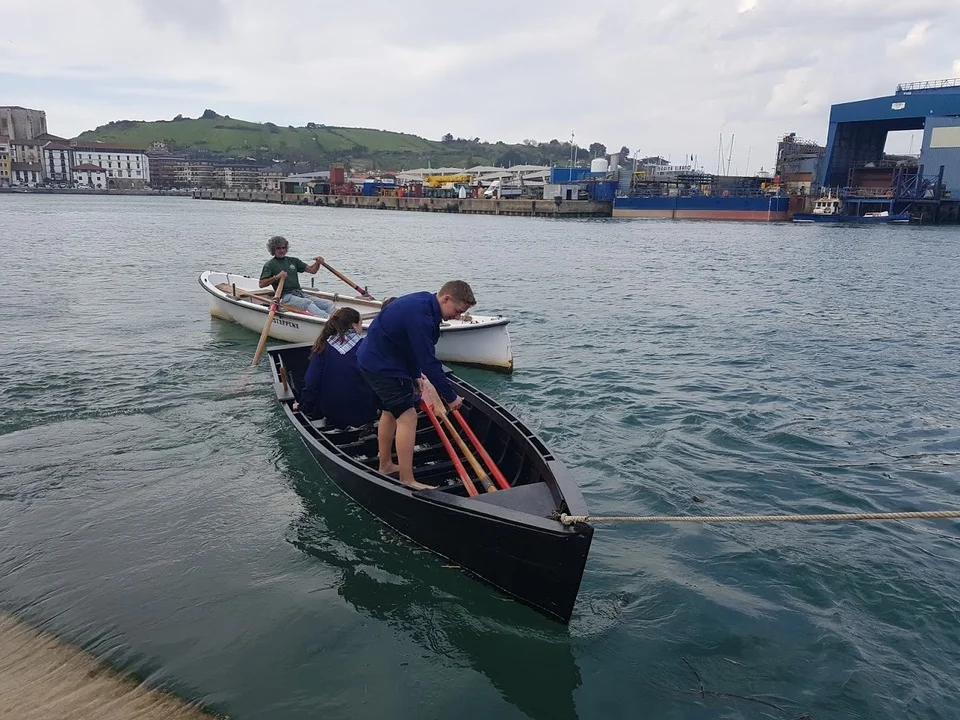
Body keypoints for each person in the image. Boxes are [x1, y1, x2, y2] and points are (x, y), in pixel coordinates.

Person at [357, 280, 476, 490]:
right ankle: (407, 479)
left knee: (389, 411)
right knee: (408, 417)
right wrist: (450, 397)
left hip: (374, 359)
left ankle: (385, 465)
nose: (457, 317)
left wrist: (414, 375)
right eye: (458, 311)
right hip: (383, 366)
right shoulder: (421, 316)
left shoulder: (424, 303)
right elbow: (429, 361)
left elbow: (408, 345)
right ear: (446, 299)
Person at [298, 308, 379, 429]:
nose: (361, 328)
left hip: (332, 412)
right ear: (354, 325)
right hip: (366, 412)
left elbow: (311, 383)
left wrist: (303, 407)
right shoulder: (367, 346)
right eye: (361, 324)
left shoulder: (322, 347)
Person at [259, 235, 335, 316]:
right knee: (307, 303)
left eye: (283, 248)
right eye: (278, 248)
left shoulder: (293, 261)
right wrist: (276, 277)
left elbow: (313, 270)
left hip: (299, 293)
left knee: (329, 304)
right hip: (285, 297)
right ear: (273, 250)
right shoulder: (270, 265)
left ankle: (334, 319)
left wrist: (318, 263)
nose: (282, 250)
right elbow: (261, 284)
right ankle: (327, 319)